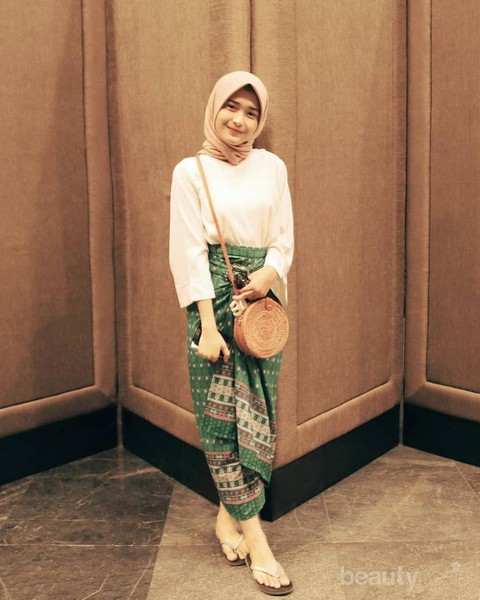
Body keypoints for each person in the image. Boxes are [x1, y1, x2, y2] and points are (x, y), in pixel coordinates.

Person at [169, 71, 294, 596]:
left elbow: (283, 237)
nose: (239, 121)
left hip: (262, 307)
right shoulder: (190, 171)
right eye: (231, 107)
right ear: (214, 108)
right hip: (214, 305)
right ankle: (258, 542)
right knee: (221, 423)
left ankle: (227, 517)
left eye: (251, 112)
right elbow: (188, 250)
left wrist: (269, 274)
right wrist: (207, 324)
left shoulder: (272, 167)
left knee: (258, 415)